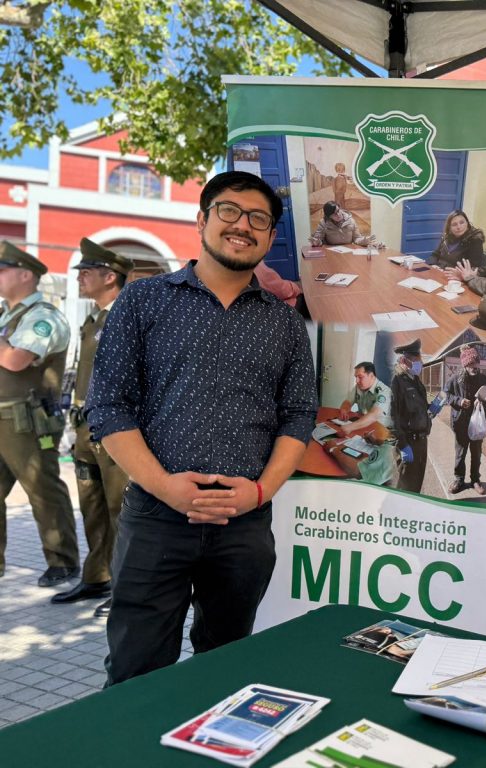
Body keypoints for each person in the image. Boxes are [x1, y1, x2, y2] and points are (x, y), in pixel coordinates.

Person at [85, 171, 317, 685]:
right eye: (229, 211)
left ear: (270, 238)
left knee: (225, 669)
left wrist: (260, 492)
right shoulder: (143, 301)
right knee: (136, 672)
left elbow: (299, 414)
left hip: (243, 524)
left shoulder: (283, 324)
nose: (243, 226)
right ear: (202, 221)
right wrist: (165, 486)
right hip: (157, 516)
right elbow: (108, 406)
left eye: (259, 219)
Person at [51, 239, 133, 615]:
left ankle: (125, 589)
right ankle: (97, 575)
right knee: (92, 505)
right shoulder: (95, 319)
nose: (80, 278)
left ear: (110, 276)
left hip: (112, 427)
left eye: (86, 272)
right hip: (86, 425)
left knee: (120, 508)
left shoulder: (126, 318)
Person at [0, 242, 79, 586]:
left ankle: (63, 561)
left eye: (3, 270)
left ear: (25, 275)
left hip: (27, 420)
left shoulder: (43, 316)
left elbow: (15, 360)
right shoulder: (6, 315)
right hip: (4, 416)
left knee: (42, 490)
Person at [333, 361, 395, 486]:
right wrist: (344, 409)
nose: (357, 380)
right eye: (355, 377)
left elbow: (373, 415)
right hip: (364, 430)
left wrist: (350, 427)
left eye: (360, 377)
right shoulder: (359, 388)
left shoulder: (383, 392)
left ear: (371, 376)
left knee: (357, 464)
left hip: (382, 434)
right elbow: (347, 401)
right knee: (344, 450)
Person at [443, 345, 486, 496]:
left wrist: (483, 400)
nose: (474, 367)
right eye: (471, 364)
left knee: (476, 453)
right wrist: (458, 401)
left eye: (476, 363)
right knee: (460, 453)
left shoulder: (483, 379)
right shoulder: (455, 379)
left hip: (477, 424)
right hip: (460, 423)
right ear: (464, 364)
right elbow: (445, 394)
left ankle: (475, 480)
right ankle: (459, 479)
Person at [390, 338, 430, 493]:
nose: (420, 364)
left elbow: (420, 407)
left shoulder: (416, 381)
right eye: (416, 360)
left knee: (417, 484)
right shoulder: (396, 381)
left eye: (419, 360)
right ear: (403, 360)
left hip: (421, 441)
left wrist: (431, 409)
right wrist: (402, 445)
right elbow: (391, 417)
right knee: (406, 487)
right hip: (408, 443)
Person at [309, 201, 382, 248]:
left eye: (338, 211)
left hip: (349, 251)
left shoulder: (351, 221)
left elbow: (357, 238)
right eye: (334, 214)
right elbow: (319, 240)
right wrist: (317, 242)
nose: (338, 214)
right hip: (331, 252)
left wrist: (365, 240)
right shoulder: (323, 223)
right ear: (329, 216)